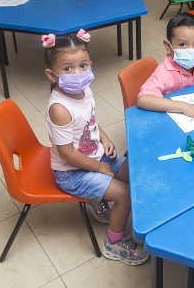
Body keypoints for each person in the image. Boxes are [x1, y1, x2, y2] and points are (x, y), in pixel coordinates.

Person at [43, 31, 149, 266]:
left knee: (138, 174)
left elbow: (89, 121)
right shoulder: (60, 109)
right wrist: (100, 167)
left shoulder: (84, 91)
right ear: (52, 75)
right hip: (72, 172)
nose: (78, 73)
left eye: (82, 65)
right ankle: (114, 244)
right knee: (125, 195)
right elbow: (67, 154)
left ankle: (105, 200)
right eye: (68, 69)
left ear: (90, 64)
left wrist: (105, 138)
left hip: (96, 155)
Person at [137, 13, 194, 120]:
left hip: (193, 116)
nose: (191, 51)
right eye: (182, 44)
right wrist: (184, 107)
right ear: (168, 46)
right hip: (170, 120)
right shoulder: (164, 73)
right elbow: (143, 99)